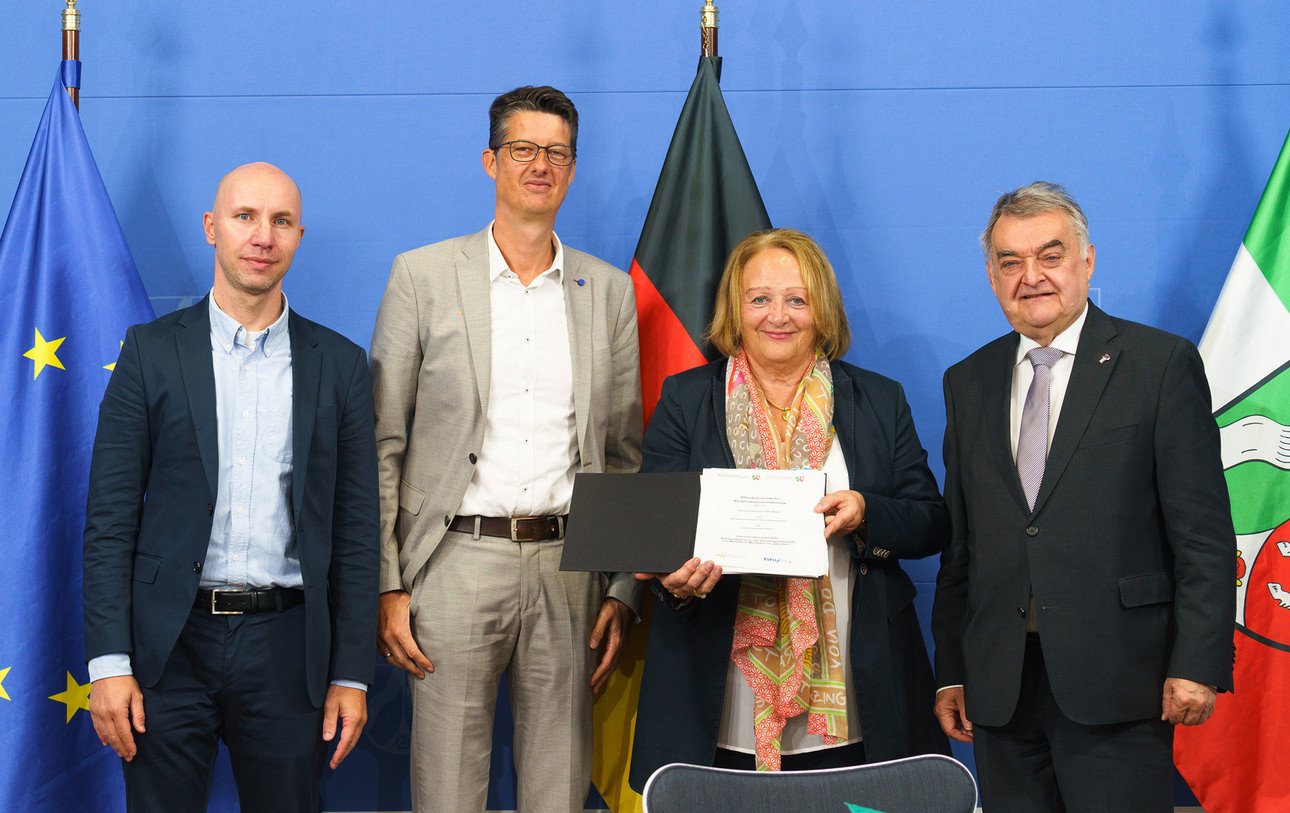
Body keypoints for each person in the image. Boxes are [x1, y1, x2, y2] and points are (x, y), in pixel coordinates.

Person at [370, 85, 642, 812]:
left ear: (574, 170)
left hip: (568, 566)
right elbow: (383, 443)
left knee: (558, 787)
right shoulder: (421, 278)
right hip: (454, 562)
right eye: (523, 149)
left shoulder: (608, 293)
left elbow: (620, 452)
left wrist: (620, 586)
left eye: (556, 153)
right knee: (448, 790)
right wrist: (388, 583)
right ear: (491, 160)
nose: (539, 165)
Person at [82, 162, 380, 812]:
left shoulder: (340, 367)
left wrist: (352, 673)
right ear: (213, 228)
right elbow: (109, 519)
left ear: (299, 235)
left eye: (280, 221)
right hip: (167, 645)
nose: (262, 235)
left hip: (288, 648)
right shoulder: (150, 353)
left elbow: (357, 532)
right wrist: (109, 662)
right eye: (245, 217)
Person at [931, 181, 1235, 812]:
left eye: (1050, 255)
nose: (1031, 276)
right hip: (1001, 686)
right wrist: (953, 669)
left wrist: (1198, 661)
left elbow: (1202, 534)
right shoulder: (968, 381)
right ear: (991, 275)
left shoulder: (1159, 364)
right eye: (1010, 262)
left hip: (1121, 681)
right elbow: (963, 547)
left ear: (1087, 261)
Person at [628, 228, 950, 789]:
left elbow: (930, 520)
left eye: (796, 299)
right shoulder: (685, 399)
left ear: (821, 310)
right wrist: (674, 577)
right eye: (759, 299)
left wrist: (866, 511)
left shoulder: (877, 399)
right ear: (736, 308)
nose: (777, 315)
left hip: (854, 696)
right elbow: (656, 528)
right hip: (721, 693)